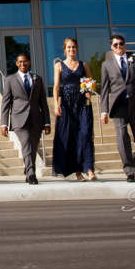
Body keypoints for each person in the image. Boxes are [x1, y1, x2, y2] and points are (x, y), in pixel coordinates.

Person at [100, 34, 135, 183]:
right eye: (116, 45)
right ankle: (129, 170)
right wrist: (103, 111)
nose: (119, 47)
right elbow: (104, 89)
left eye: (121, 44)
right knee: (122, 136)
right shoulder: (107, 65)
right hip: (118, 106)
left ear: (125, 45)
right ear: (111, 47)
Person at [0, 53, 51, 185]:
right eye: (20, 62)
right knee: (26, 142)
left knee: (33, 146)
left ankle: (28, 168)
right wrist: (4, 123)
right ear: (16, 63)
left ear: (29, 62)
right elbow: (6, 103)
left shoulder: (37, 79)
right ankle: (32, 174)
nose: (23, 64)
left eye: (25, 61)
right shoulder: (10, 80)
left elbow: (43, 102)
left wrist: (47, 122)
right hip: (19, 119)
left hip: (36, 119)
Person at [51, 37, 97, 182]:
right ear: (65, 50)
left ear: (77, 49)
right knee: (72, 137)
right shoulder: (59, 66)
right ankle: (78, 172)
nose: (72, 49)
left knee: (85, 134)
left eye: (74, 47)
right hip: (67, 104)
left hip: (83, 102)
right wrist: (55, 103)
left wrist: (89, 90)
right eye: (69, 47)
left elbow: (90, 81)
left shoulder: (84, 64)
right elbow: (57, 87)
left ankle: (89, 168)